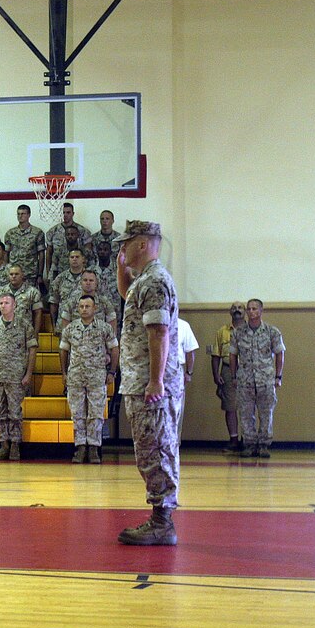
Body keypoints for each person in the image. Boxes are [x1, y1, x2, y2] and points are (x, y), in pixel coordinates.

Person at [115, 220, 183, 547]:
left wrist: (155, 380)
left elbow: (159, 332)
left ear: (142, 244)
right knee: (148, 448)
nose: (122, 248)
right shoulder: (145, 281)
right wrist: (121, 272)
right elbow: (130, 297)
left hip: (150, 386)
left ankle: (162, 522)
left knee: (156, 448)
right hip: (140, 382)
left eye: (126, 242)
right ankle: (160, 517)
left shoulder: (154, 282)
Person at [59, 295, 119, 464]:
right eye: (81, 306)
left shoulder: (104, 328)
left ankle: (93, 448)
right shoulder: (70, 329)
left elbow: (114, 350)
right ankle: (80, 447)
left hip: (97, 377)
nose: (84, 309)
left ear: (95, 308)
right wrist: (64, 373)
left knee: (95, 414)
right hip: (76, 377)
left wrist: (112, 372)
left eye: (87, 306)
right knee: (77, 414)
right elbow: (63, 351)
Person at [0, 293, 37, 461]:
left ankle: (15, 445)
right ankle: (3, 444)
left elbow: (32, 349)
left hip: (16, 375)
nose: (3, 305)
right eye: (1, 303)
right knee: (0, 411)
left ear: (14, 305)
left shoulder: (24, 325)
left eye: (6, 303)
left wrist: (28, 373)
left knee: (14, 411)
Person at [230, 299, 286, 458]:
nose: (251, 311)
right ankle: (249, 444)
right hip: (245, 380)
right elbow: (233, 355)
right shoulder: (238, 332)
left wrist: (278, 376)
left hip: (266, 380)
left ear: (261, 311)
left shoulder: (272, 332)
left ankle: (263, 445)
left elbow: (280, 353)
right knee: (246, 414)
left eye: (254, 308)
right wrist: (234, 376)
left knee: (266, 413)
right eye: (249, 309)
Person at [209, 301, 245, 452]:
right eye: (234, 308)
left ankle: (248, 441)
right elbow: (215, 355)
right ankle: (234, 440)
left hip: (247, 372)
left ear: (245, 312)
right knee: (230, 407)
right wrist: (216, 374)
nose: (237, 310)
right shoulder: (222, 332)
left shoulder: (251, 331)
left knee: (248, 408)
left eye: (240, 308)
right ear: (230, 312)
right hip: (228, 371)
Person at [0, 264, 43, 334]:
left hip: (25, 333)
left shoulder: (33, 292)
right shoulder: (0, 292)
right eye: (11, 274)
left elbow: (38, 313)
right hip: (4, 333)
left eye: (16, 274)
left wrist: (35, 333)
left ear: (22, 275)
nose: (14, 276)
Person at [45, 203, 93, 281]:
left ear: (73, 213)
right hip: (60, 273)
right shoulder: (53, 231)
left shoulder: (83, 231)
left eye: (68, 212)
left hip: (80, 274)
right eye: (63, 213)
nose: (65, 215)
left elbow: (88, 254)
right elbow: (49, 253)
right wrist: (48, 274)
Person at [3, 204, 46, 290]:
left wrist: (40, 274)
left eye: (23, 213)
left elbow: (41, 254)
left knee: (30, 298)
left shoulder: (37, 233)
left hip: (30, 274)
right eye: (18, 214)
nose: (20, 216)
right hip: (14, 274)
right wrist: (6, 271)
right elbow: (6, 254)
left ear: (29, 215)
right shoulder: (10, 233)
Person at [48, 248, 88, 329]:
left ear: (83, 259)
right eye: (72, 257)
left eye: (77, 257)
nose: (74, 259)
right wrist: (54, 324)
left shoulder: (90, 278)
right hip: (64, 323)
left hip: (85, 323)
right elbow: (53, 303)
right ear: (68, 259)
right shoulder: (60, 279)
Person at [176, 317, 200, 443]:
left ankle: (175, 443)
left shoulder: (183, 325)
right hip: (155, 369)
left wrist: (189, 372)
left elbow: (190, 351)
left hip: (176, 369)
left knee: (177, 408)